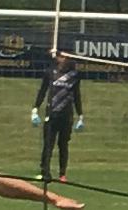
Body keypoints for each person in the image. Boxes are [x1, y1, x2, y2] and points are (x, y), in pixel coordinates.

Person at [32, 52, 87, 185]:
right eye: (60, 56)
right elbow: (42, 91)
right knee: (48, 145)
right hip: (51, 114)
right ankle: (45, 172)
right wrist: (35, 109)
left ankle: (62, 173)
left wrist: (80, 115)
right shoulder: (50, 73)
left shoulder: (74, 76)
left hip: (66, 116)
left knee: (63, 145)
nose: (62, 59)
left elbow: (76, 96)